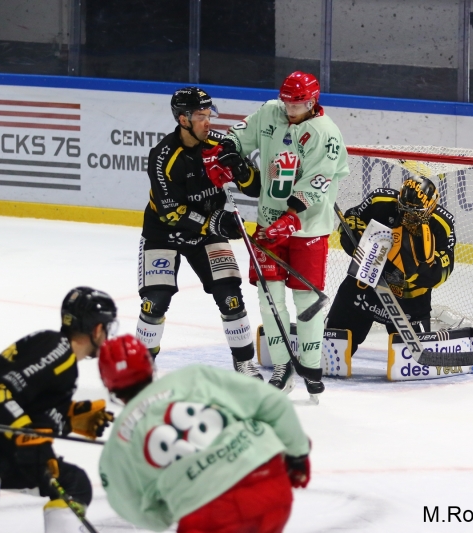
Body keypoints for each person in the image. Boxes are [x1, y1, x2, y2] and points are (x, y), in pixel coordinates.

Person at [204, 71, 349, 397]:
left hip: (308, 229)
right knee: (268, 300)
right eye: (287, 101)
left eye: (296, 104)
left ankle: (311, 365)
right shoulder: (271, 112)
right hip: (269, 226)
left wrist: (292, 219)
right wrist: (226, 152)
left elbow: (318, 181)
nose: (289, 108)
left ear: (312, 101)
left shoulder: (326, 134)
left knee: (306, 300)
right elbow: (240, 134)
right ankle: (283, 367)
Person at [0, 287, 118, 533]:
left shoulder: (63, 363)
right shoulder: (57, 349)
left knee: (73, 484)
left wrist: (70, 417)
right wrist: (28, 436)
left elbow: (25, 402)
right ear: (98, 329)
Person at [97, 334, 311, 533]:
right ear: (148, 365)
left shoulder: (117, 444)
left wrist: (171, 512)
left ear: (110, 386)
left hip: (208, 516)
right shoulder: (192, 378)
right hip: (270, 487)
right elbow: (273, 401)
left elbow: (131, 505)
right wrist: (298, 454)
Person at [136, 86, 262, 380]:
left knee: (230, 296)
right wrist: (216, 223)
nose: (209, 122)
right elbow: (171, 212)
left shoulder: (220, 145)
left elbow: (254, 189)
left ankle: (243, 362)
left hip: (207, 232)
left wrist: (243, 172)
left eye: (209, 115)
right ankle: (141, 368)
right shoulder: (163, 156)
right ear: (183, 119)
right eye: (201, 116)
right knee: (154, 302)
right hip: (163, 233)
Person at [326, 177, 456, 354]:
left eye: (416, 213)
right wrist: (355, 239)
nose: (409, 217)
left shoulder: (442, 224)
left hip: (410, 303)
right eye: (405, 210)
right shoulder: (381, 201)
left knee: (413, 366)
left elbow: (445, 268)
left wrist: (417, 270)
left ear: (431, 208)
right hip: (364, 290)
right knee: (330, 353)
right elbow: (350, 217)